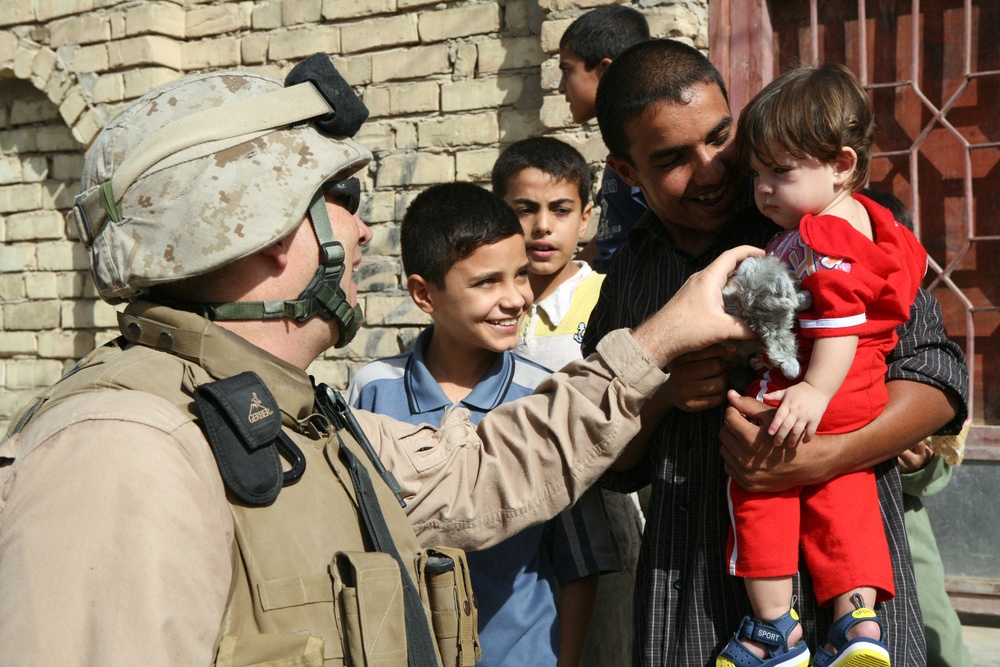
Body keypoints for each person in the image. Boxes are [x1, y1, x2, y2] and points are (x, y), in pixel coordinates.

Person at [0, 55, 763, 666]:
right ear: (259, 223)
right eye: (338, 197)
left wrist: (657, 341)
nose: (363, 232)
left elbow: (485, 471)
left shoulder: (283, 415)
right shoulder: (122, 445)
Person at [581, 39, 969, 666]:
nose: (711, 169)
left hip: (845, 616)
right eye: (674, 158)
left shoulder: (830, 221)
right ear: (626, 171)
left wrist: (823, 456)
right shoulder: (629, 279)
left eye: (719, 138)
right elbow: (608, 459)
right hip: (692, 607)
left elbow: (937, 379)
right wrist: (663, 393)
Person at [346, 182, 620, 667]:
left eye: (521, 275)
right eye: (486, 282)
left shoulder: (547, 397)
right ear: (423, 294)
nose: (515, 298)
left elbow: (578, 565)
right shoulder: (372, 392)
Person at [716, 63, 929, 667]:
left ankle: (773, 629)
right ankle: (857, 622)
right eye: (756, 174)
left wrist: (812, 389)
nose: (762, 189)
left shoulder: (824, 233)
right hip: (862, 388)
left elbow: (838, 322)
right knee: (844, 497)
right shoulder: (876, 223)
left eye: (779, 172)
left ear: (840, 163)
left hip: (824, 383)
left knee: (760, 492)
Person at [491, 136, 645, 667]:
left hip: (598, 517)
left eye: (560, 210)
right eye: (523, 210)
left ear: (586, 220)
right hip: (504, 523)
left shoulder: (608, 299)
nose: (541, 227)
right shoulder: (486, 309)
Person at [861, 187, 975, 667]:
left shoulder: (920, 340)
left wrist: (920, 461)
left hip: (904, 530)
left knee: (934, 638)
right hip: (840, 525)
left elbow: (944, 463)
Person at [557, 4, 650, 273]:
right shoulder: (619, 146)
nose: (562, 86)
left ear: (605, 70)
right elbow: (612, 238)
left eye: (567, 70)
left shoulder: (645, 148)